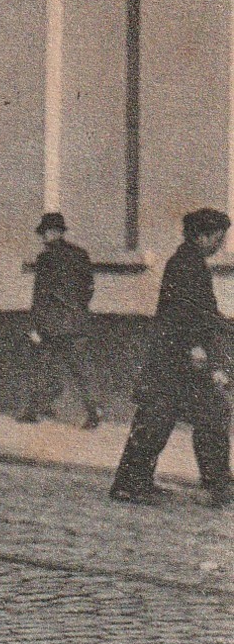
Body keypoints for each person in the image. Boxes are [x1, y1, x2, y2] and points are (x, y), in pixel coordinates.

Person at [110, 208, 233, 507]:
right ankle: (129, 484)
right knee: (161, 420)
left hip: (181, 357)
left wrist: (224, 324)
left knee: (204, 414)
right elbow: (180, 312)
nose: (220, 244)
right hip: (177, 358)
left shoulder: (191, 263)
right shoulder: (184, 265)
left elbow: (202, 311)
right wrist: (195, 346)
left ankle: (215, 481)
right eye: (218, 237)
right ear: (202, 236)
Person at [18, 212, 102, 429]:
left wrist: (34, 326)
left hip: (52, 325)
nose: (43, 238)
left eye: (44, 233)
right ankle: (95, 411)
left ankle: (34, 410)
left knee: (44, 367)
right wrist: (77, 311)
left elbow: (41, 295)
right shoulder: (81, 255)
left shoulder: (46, 259)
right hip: (77, 323)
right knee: (81, 369)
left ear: (53, 232)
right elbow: (89, 289)